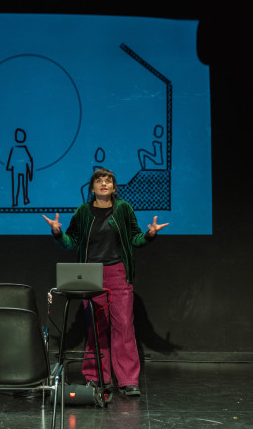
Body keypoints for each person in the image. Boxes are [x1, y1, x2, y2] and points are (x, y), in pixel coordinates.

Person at [43, 168, 168, 396]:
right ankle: (97, 377)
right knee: (96, 328)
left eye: (108, 181)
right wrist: (58, 233)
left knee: (124, 327)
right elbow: (71, 242)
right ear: (92, 188)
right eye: (99, 181)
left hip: (118, 272)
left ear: (114, 187)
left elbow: (135, 238)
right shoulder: (83, 212)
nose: (104, 184)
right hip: (90, 274)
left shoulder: (124, 208)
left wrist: (149, 235)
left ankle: (128, 381)